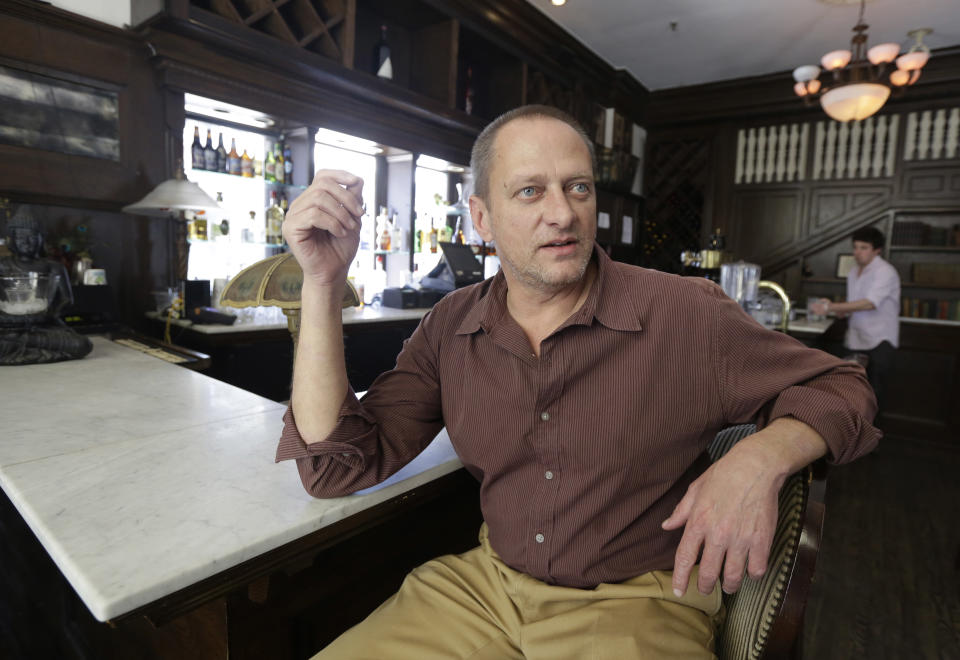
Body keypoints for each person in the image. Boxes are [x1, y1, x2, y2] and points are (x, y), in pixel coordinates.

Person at [277, 105, 880, 659]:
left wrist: (760, 457)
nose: (562, 212)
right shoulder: (452, 325)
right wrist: (323, 283)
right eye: (531, 191)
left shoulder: (685, 313)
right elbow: (335, 467)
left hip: (639, 603)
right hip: (486, 589)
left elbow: (844, 388)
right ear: (481, 218)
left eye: (578, 187)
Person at [811, 227, 900, 415]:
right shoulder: (854, 271)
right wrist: (842, 311)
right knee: (851, 387)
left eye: (864, 248)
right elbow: (855, 303)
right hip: (855, 337)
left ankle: (870, 437)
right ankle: (852, 433)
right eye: (855, 247)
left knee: (873, 391)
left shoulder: (885, 271)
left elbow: (869, 304)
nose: (857, 252)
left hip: (879, 339)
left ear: (877, 250)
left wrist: (832, 307)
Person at [0, 209, 92, 365]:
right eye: (20, 237)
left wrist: (47, 315)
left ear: (40, 239)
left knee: (81, 344)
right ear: (12, 240)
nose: (26, 242)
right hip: (8, 327)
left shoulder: (54, 267)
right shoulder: (2, 265)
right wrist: (8, 318)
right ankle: (25, 346)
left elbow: (66, 300)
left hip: (44, 327)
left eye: (32, 237)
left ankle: (22, 344)